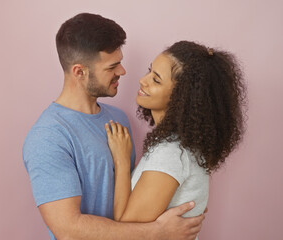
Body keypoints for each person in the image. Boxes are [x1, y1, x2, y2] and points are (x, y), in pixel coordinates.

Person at [23, 13, 204, 240]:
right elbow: (68, 230)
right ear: (80, 72)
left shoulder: (119, 119)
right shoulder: (48, 137)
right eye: (112, 67)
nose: (123, 71)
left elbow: (131, 199)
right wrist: (159, 232)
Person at [106, 41, 246, 239]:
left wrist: (121, 161)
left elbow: (126, 229)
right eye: (149, 71)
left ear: (181, 98)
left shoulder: (172, 152)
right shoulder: (181, 146)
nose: (142, 80)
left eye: (156, 80)